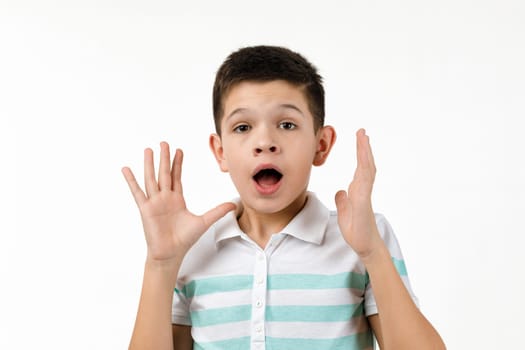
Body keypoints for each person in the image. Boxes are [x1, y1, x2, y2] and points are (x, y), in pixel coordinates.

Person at [122, 45, 446, 350]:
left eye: (287, 124)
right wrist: (161, 265)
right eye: (242, 127)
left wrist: (373, 252)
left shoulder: (363, 237)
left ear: (321, 145)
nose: (265, 141)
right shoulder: (192, 250)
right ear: (220, 152)